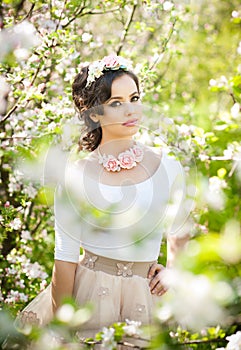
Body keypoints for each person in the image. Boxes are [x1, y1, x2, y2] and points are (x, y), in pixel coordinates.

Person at [16, 54, 190, 342]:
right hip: (89, 297)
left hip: (146, 299)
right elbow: (65, 258)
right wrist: (63, 332)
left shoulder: (168, 164)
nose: (131, 110)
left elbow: (180, 232)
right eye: (116, 103)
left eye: (134, 98)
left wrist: (173, 272)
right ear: (94, 113)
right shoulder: (75, 177)